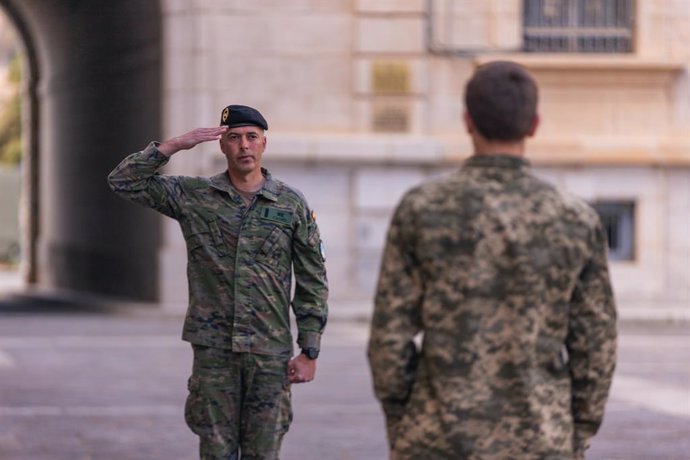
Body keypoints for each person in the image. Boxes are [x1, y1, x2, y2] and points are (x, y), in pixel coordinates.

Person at [367, 61, 617, 460]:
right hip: (540, 437)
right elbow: (596, 342)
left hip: (437, 437)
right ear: (534, 125)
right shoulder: (575, 219)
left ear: (467, 121)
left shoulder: (423, 208)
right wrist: (576, 432)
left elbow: (389, 336)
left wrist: (405, 422)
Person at [108, 104, 328, 460]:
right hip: (214, 351)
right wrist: (175, 145)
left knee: (264, 452)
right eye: (234, 138)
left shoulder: (290, 204)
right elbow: (123, 181)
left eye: (251, 138)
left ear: (263, 145)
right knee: (215, 451)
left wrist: (310, 349)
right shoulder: (194, 197)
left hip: (269, 351)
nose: (244, 146)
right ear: (222, 145)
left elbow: (312, 278)